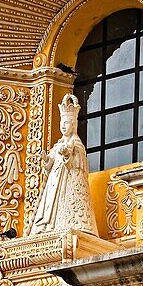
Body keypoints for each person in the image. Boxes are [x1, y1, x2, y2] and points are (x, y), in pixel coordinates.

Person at [30, 93, 98, 236]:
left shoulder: (76, 143)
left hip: (68, 183)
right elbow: (50, 164)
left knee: (63, 206)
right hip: (54, 182)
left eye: (66, 123)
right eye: (62, 123)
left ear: (73, 125)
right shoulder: (58, 144)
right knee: (50, 205)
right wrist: (47, 161)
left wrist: (68, 154)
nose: (63, 126)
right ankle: (47, 226)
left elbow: (78, 162)